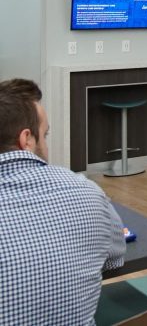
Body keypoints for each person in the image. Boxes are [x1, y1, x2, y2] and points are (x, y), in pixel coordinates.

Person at [0, 78, 126, 325]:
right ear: (27, 140)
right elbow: (115, 256)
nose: (47, 145)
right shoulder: (86, 191)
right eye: (44, 135)